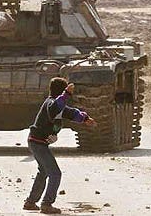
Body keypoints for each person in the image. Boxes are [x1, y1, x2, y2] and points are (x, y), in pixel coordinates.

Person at [24, 77, 96, 214]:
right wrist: (66, 94)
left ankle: (30, 202)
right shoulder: (51, 103)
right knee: (55, 174)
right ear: (61, 92)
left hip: (36, 142)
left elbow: (71, 113)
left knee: (44, 171)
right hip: (37, 143)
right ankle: (46, 204)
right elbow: (56, 107)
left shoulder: (58, 106)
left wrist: (85, 119)